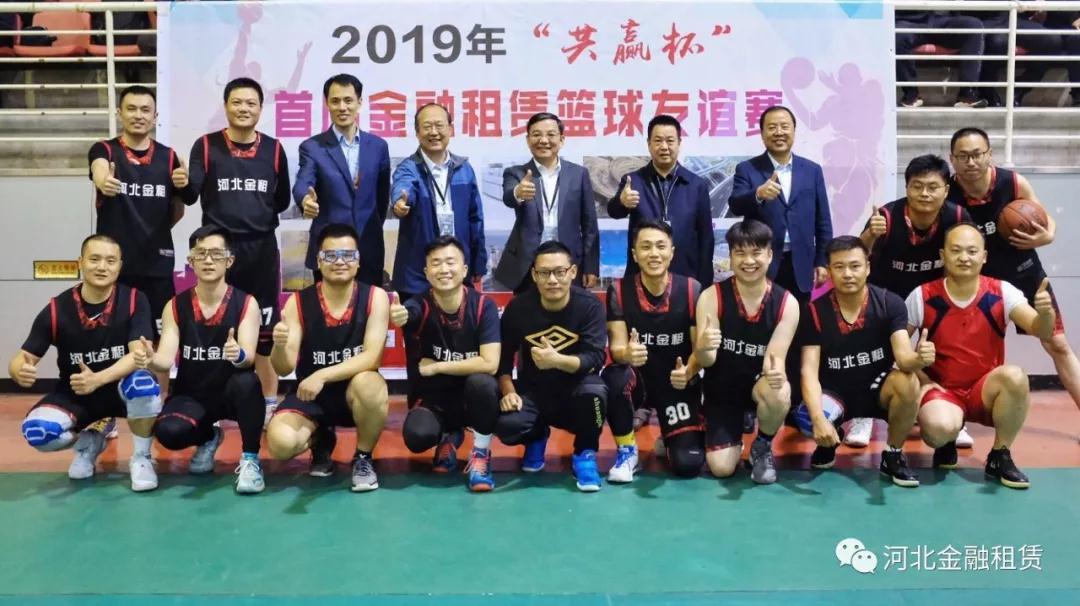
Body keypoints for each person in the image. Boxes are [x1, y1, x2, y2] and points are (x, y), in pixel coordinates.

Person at [908, 224, 1055, 489]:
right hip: (942, 391)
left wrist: (1046, 313)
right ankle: (946, 441)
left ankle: (1000, 456)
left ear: (984, 256)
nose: (964, 257)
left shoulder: (1003, 292)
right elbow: (896, 348)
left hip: (983, 391)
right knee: (938, 429)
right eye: (956, 250)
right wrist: (922, 378)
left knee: (1015, 377)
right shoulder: (921, 295)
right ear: (942, 255)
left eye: (972, 251)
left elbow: (1041, 330)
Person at [10, 234, 159, 492]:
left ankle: (141, 458)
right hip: (76, 393)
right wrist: (18, 371)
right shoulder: (57, 309)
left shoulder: (135, 300)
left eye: (110, 261)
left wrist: (98, 379)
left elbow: (137, 357)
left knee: (143, 384)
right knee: (38, 432)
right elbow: (23, 357)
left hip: (119, 389)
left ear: (119, 266)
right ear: (80, 262)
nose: (102, 267)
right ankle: (88, 443)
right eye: (94, 259)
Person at [946, 127, 1080, 411]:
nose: (971, 162)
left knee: (1057, 344)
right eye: (963, 156)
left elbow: (1046, 219)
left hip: (1024, 275)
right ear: (952, 159)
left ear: (989, 155)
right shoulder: (946, 193)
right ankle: (945, 412)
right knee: (960, 352)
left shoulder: (1013, 183)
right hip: (975, 283)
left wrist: (1048, 235)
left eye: (977, 154)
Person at [186, 77, 291, 424]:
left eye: (251, 103)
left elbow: (281, 200)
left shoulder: (274, 149)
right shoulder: (206, 146)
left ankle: (270, 402)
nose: (244, 108)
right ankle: (213, 405)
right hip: (219, 252)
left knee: (264, 331)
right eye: (237, 102)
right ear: (226, 106)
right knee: (217, 327)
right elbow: (191, 192)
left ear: (260, 109)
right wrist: (180, 182)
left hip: (260, 250)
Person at [852, 153, 973, 449]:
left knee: (946, 350)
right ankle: (862, 413)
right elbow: (858, 256)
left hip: (934, 294)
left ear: (946, 190)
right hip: (887, 295)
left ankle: (951, 412)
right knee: (874, 349)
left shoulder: (958, 218)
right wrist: (869, 234)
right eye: (917, 186)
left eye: (933, 187)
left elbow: (966, 259)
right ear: (906, 187)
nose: (925, 193)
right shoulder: (886, 217)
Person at [265, 223, 390, 492]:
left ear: (358, 261)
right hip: (311, 395)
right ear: (319, 261)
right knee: (280, 443)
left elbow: (372, 358)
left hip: (353, 393)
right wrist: (279, 346)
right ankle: (321, 440)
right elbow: (283, 367)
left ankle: (363, 457)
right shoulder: (298, 302)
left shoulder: (376, 297)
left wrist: (322, 375)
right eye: (331, 255)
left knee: (371, 385)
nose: (340, 262)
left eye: (348, 255)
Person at [141, 226, 265, 494]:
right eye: (201, 254)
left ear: (229, 260)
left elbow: (248, 358)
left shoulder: (246, 303)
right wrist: (150, 359)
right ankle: (209, 436)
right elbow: (165, 359)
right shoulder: (175, 306)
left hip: (231, 393)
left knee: (248, 383)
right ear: (191, 260)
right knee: (169, 432)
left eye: (216, 254)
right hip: (193, 394)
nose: (208, 260)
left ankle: (250, 459)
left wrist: (238, 354)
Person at [798, 237, 928, 487]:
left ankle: (893, 454)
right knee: (805, 415)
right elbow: (808, 371)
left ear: (868, 268)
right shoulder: (814, 311)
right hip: (835, 394)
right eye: (839, 267)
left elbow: (903, 358)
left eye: (855, 266)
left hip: (876, 390)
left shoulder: (890, 303)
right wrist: (818, 419)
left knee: (908, 382)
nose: (848, 274)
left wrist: (918, 359)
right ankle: (829, 440)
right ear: (829, 271)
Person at [389, 236, 501, 491]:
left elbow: (490, 363)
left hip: (472, 398)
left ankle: (481, 454)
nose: (444, 269)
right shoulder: (419, 304)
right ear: (426, 272)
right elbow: (410, 313)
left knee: (483, 383)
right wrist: (401, 316)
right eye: (436, 263)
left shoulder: (483, 306)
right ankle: (449, 437)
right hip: (434, 398)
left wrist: (437, 366)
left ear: (464, 269)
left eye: (450, 262)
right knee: (417, 437)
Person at [494, 241, 608, 492]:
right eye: (544, 273)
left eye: (559, 272)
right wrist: (509, 392)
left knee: (596, 395)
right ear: (534, 275)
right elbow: (503, 362)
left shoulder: (590, 306)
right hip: (534, 393)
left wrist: (557, 361)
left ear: (573, 272)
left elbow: (595, 358)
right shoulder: (518, 308)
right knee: (507, 425)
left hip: (576, 393)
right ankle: (536, 437)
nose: (552, 280)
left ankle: (585, 452)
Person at [695, 220, 800, 484]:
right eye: (740, 253)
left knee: (779, 391)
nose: (749, 261)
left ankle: (762, 445)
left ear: (770, 255)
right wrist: (704, 346)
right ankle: (722, 434)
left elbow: (774, 359)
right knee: (721, 469)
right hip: (722, 390)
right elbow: (707, 360)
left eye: (756, 252)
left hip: (757, 385)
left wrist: (776, 375)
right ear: (730, 257)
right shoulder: (711, 297)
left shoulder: (787, 304)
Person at [601, 220, 703, 482]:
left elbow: (699, 351)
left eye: (660, 246)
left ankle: (671, 437)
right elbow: (617, 349)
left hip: (677, 385)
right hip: (639, 385)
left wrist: (690, 369)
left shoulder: (691, 289)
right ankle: (627, 451)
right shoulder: (619, 290)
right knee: (614, 377)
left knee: (688, 465)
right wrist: (627, 353)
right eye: (645, 247)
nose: (654, 253)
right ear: (635, 254)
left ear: (672, 252)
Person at [88, 85, 189, 337]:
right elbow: (99, 168)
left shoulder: (169, 157)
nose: (138, 115)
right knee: (113, 339)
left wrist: (155, 228)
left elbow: (178, 210)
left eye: (145, 110)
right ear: (119, 113)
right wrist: (103, 180)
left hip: (157, 266)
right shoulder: (105, 150)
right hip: (114, 268)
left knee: (158, 339)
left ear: (155, 117)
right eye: (131, 109)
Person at [294, 74, 390, 286]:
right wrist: (305, 200)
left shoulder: (378, 146)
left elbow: (382, 197)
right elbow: (303, 182)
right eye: (335, 101)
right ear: (327, 103)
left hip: (369, 248)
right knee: (326, 306)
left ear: (359, 103)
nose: (342, 107)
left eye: (348, 100)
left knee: (369, 305)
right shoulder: (313, 147)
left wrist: (372, 226)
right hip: (329, 251)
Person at [730, 105, 832, 301]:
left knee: (800, 317)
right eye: (772, 127)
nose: (779, 132)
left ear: (794, 131)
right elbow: (735, 205)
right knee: (763, 316)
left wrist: (822, 260)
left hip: (801, 262)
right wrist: (758, 194)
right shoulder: (747, 169)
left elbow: (823, 220)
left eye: (784, 126)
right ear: (762, 134)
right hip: (762, 262)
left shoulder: (812, 170)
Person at [389, 103, 486, 299]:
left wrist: (478, 262)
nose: (434, 132)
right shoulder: (408, 168)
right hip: (417, 275)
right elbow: (403, 186)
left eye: (439, 125)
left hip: (456, 271)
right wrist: (400, 202)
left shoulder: (464, 169)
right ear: (417, 133)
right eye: (427, 127)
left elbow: (475, 218)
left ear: (450, 129)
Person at [495, 112, 599, 292]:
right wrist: (518, 192)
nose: (543, 140)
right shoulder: (516, 173)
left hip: (567, 263)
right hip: (528, 263)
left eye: (550, 134)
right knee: (528, 309)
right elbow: (509, 197)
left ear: (562, 139)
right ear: (528, 140)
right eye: (536, 135)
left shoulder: (578, 174)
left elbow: (589, 224)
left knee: (569, 309)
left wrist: (590, 266)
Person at [608, 114, 714, 287]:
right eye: (658, 141)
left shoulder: (697, 185)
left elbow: (706, 237)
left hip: (686, 276)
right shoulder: (633, 181)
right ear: (649, 144)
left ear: (679, 143)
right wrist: (621, 202)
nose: (664, 147)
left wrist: (704, 283)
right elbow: (614, 212)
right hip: (642, 275)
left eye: (670, 141)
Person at [894, 9, 988, 108]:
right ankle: (911, 94)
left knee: (973, 25)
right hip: (906, 21)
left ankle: (967, 93)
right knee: (898, 34)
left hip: (938, 19)